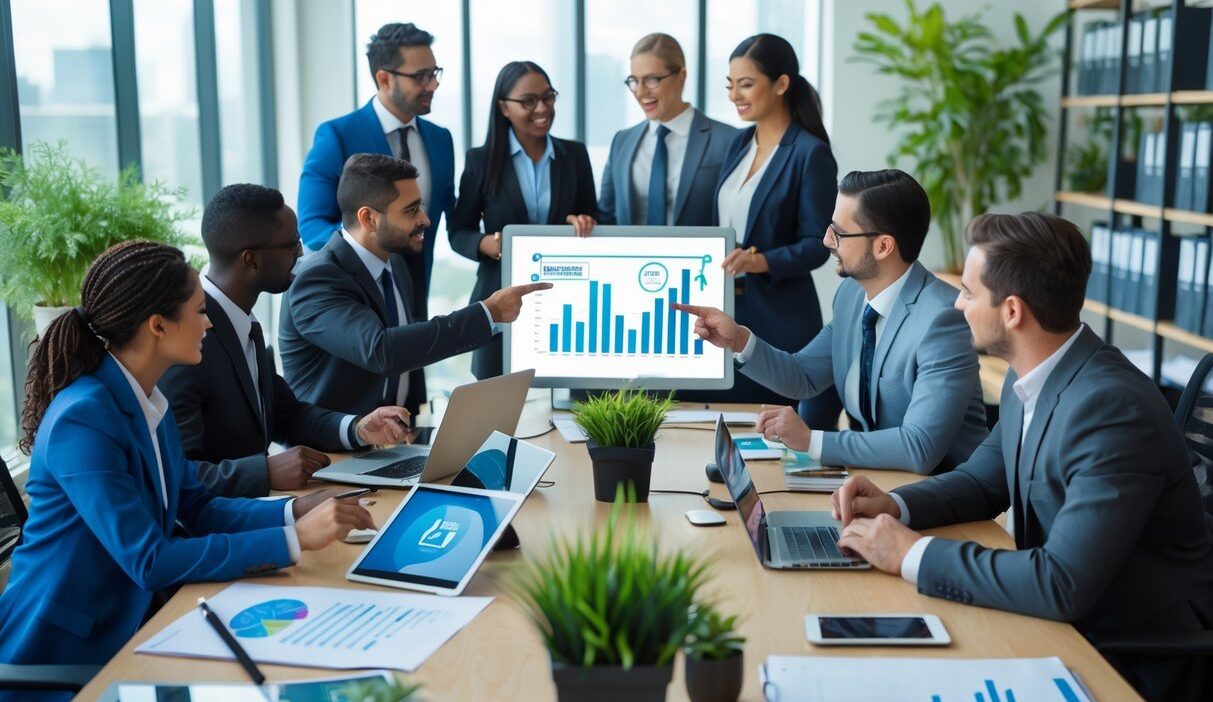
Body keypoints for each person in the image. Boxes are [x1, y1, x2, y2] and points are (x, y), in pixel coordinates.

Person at [830, 212, 1213, 701]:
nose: (956, 303)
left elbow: (1061, 582)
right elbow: (983, 482)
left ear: (1012, 312)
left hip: (1131, 656)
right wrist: (895, 505)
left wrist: (910, 552)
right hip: (1063, 622)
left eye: (968, 292)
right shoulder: (1028, 375)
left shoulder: (1112, 409)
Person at [0, 242, 374, 689]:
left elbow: (197, 508)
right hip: (65, 655)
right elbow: (150, 560)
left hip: (138, 622)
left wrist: (296, 510)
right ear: (158, 325)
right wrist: (294, 540)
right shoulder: (82, 418)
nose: (210, 322)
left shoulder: (147, 399)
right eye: (199, 311)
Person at [676, 169, 987, 474]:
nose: (826, 240)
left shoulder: (943, 320)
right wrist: (737, 340)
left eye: (839, 232)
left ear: (883, 246)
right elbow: (803, 376)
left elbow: (919, 447)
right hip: (874, 482)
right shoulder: (852, 296)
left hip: (942, 500)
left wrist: (812, 441)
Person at [161, 184, 413, 498]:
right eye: (291, 245)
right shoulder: (188, 339)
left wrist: (358, 428)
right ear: (250, 260)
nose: (302, 253)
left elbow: (287, 415)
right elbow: (179, 476)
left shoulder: (242, 321)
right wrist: (264, 472)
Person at [280, 153, 550, 416]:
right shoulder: (316, 280)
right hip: (333, 453)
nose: (425, 220)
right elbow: (383, 351)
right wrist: (487, 313)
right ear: (368, 218)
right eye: (411, 210)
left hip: (397, 442)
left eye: (420, 207)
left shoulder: (395, 264)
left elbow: (412, 345)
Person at [706, 33, 841, 426]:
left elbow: (819, 243)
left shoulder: (809, 153)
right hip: (730, 309)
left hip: (780, 317)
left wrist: (759, 261)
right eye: (730, 85)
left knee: (772, 432)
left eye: (746, 84)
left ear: (781, 84)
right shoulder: (738, 144)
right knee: (728, 426)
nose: (735, 95)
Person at [448, 61, 598, 379]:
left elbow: (595, 217)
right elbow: (459, 232)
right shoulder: (481, 160)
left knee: (569, 400)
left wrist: (583, 223)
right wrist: (486, 244)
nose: (542, 108)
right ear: (503, 107)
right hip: (498, 298)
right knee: (494, 401)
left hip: (564, 300)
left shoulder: (575, 156)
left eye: (548, 97)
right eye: (528, 101)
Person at [297, 22, 455, 320]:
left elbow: (452, 217)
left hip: (417, 299)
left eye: (434, 73)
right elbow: (312, 226)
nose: (432, 85)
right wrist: (377, 240)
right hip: (358, 301)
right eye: (421, 76)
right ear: (384, 78)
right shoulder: (337, 135)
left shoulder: (441, 139)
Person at [598, 33, 736, 227]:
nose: (640, 92)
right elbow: (605, 217)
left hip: (701, 256)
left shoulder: (727, 140)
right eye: (634, 80)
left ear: (681, 76)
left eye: (652, 80)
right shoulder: (622, 141)